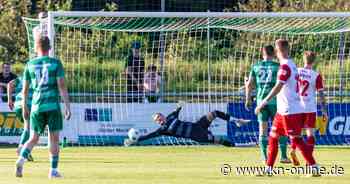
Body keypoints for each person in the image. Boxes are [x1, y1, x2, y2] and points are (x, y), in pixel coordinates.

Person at [255, 39, 319, 176]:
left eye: (277, 51)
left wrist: (263, 102)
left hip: (290, 110)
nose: (276, 54)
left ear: (280, 51)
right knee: (272, 137)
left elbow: (278, 87)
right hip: (282, 110)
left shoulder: (285, 66)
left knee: (296, 140)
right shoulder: (292, 64)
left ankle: (314, 167)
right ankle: (268, 169)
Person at [15, 36, 71, 178]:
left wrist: (24, 107)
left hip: (36, 107)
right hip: (52, 106)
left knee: (33, 137)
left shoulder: (30, 64)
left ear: (36, 47)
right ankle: (53, 171)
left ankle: (21, 159)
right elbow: (62, 86)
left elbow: (25, 90)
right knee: (54, 139)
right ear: (50, 47)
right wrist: (67, 106)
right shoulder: (55, 63)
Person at [124, 102, 250, 146]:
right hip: (197, 136)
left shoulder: (171, 117)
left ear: (162, 115)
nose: (159, 120)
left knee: (214, 113)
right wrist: (137, 140)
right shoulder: (163, 129)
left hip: (198, 126)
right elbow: (149, 136)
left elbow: (177, 109)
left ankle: (237, 121)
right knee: (219, 140)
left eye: (159, 117)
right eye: (157, 120)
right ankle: (234, 146)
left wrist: (180, 104)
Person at [245, 45, 291, 163]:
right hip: (276, 102)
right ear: (274, 53)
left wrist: (248, 99)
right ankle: (284, 156)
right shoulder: (278, 66)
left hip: (261, 101)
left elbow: (249, 84)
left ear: (262, 53)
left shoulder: (255, 66)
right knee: (281, 130)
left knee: (262, 130)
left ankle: (265, 157)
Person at [289, 51, 327, 166]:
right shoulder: (316, 75)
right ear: (314, 61)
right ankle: (308, 159)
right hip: (309, 107)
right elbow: (321, 94)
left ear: (303, 59)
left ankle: (293, 149)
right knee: (310, 133)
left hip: (296, 106)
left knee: (296, 133)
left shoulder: (296, 71)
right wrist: (324, 110)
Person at [7, 77, 34, 162]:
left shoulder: (21, 78)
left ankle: (27, 152)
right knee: (29, 129)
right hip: (27, 105)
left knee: (29, 129)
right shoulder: (35, 77)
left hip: (17, 105)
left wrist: (9, 100)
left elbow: (10, 84)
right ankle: (21, 148)